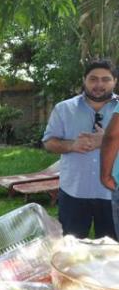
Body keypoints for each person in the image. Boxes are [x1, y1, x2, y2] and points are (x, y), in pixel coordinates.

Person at [45, 60, 118, 239]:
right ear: (84, 80)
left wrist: (108, 141)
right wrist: (71, 145)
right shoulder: (63, 109)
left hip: (113, 194)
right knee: (71, 252)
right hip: (74, 193)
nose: (99, 84)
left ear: (115, 81)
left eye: (105, 79)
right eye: (93, 79)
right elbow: (48, 142)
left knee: (114, 254)